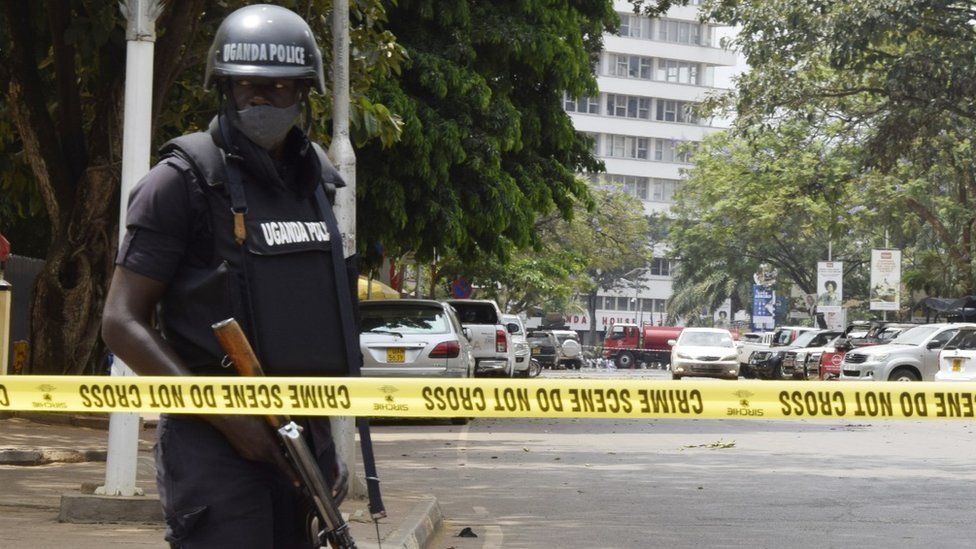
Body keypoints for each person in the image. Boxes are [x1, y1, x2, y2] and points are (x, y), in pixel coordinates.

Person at [101, 5, 354, 547]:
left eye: (279, 88)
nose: (260, 100)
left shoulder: (315, 184)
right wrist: (226, 416)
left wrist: (329, 442)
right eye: (245, 88)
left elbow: (320, 323)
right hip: (214, 446)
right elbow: (121, 323)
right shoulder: (179, 182)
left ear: (304, 93)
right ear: (224, 89)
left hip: (300, 437)